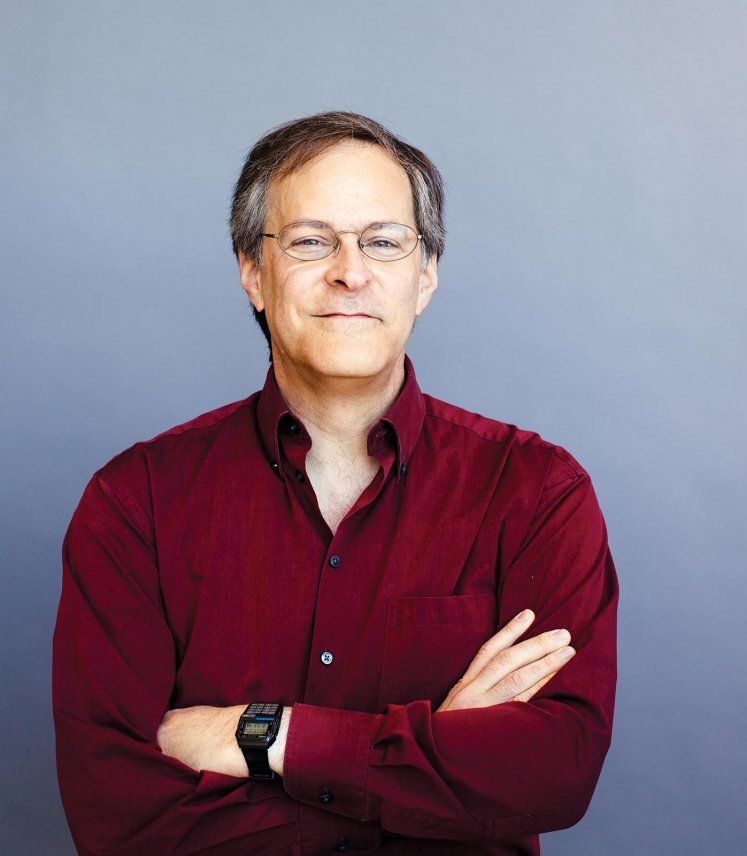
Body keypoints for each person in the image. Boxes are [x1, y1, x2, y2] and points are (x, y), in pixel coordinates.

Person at [52, 110, 619, 856]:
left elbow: (555, 771)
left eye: (383, 242)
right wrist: (435, 761)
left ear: (426, 278)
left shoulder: (538, 493)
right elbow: (117, 816)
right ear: (253, 273)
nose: (351, 271)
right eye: (312, 241)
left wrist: (264, 736)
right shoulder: (136, 503)